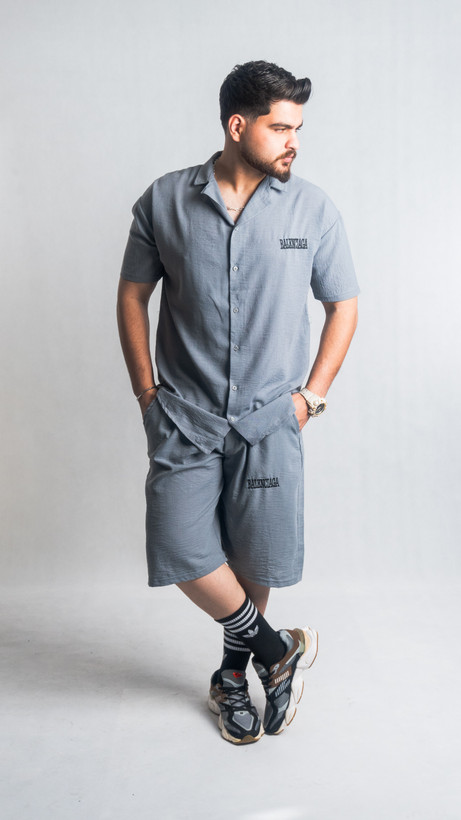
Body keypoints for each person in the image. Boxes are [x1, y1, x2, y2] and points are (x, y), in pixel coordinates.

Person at [117, 60, 359, 745]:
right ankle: (277, 651)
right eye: (280, 128)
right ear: (236, 126)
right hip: (185, 417)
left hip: (270, 420)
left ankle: (232, 677)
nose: (293, 142)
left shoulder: (313, 209)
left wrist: (311, 398)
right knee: (180, 544)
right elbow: (132, 295)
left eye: (297, 128)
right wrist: (146, 394)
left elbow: (343, 304)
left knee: (252, 557)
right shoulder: (164, 201)